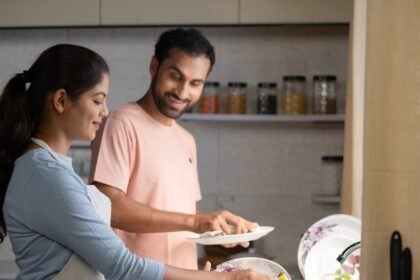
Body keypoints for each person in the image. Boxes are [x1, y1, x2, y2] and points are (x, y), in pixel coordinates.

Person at [0, 44, 272, 280]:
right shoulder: (48, 176)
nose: (104, 112)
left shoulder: (47, 169)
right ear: (61, 101)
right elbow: (122, 265)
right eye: (97, 100)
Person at [90, 28, 258, 270]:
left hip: (184, 273)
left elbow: (180, 212)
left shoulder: (186, 139)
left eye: (195, 83)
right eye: (175, 76)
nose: (182, 92)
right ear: (154, 66)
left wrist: (216, 226)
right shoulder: (120, 123)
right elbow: (110, 208)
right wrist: (196, 221)